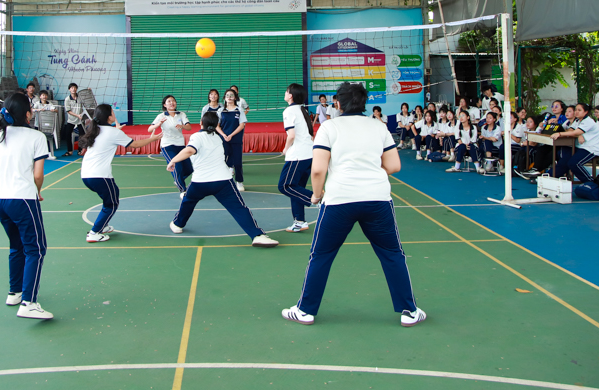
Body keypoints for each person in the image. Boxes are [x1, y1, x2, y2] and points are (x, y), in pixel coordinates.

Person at [281, 82, 425, 327]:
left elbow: (318, 170)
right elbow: (393, 166)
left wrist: (316, 195)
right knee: (392, 254)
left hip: (339, 200)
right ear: (364, 103)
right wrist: (369, 173)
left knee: (321, 255)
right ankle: (409, 311)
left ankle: (305, 310)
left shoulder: (329, 127)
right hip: (377, 199)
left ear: (338, 103)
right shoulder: (378, 126)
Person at [166, 111, 278, 247]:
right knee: (239, 208)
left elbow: (190, 150)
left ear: (201, 123)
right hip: (223, 182)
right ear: (217, 125)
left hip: (200, 182)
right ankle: (257, 235)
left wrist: (173, 160)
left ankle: (177, 224)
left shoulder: (197, 136)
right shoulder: (218, 138)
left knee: (187, 202)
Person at [0, 92, 53, 320]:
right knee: (36, 249)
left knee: (16, 245)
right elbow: (38, 175)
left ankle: (15, 292)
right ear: (28, 114)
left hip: (1, 200)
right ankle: (29, 303)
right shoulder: (36, 137)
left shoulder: (1, 135)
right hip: (23, 199)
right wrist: (37, 191)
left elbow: (1, 169)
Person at [78, 104, 163, 243]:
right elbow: (135, 145)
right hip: (100, 176)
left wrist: (116, 131)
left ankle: (102, 225)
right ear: (108, 116)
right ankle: (94, 233)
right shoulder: (113, 133)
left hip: (86, 175)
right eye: (113, 112)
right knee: (111, 203)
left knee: (109, 199)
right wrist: (153, 139)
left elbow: (106, 138)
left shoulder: (94, 130)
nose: (114, 114)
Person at [279, 83, 315, 232]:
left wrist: (286, 149)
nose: (285, 93)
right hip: (309, 154)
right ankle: (299, 221)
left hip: (298, 156)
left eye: (287, 91)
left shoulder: (289, 111)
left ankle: (319, 200)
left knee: (285, 186)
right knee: (297, 188)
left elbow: (291, 135)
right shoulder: (302, 109)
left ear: (291, 95)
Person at [150, 95, 193, 197]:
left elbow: (189, 127)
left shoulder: (181, 114)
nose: (172, 103)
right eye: (169, 101)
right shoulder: (161, 116)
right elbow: (149, 129)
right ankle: (183, 191)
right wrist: (159, 124)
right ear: (165, 105)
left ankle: (178, 180)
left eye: (173, 101)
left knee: (189, 169)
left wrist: (182, 126)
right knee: (177, 166)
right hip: (167, 145)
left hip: (180, 144)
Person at [550, 103, 599, 183]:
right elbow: (571, 130)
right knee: (564, 161)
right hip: (578, 147)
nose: (576, 112)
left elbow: (575, 132)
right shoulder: (577, 121)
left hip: (590, 148)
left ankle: (590, 182)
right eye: (576, 110)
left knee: (574, 163)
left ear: (586, 112)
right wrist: (579, 135)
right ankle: (550, 176)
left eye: (579, 110)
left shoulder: (588, 121)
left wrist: (559, 134)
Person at [219, 88, 248, 192]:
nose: (229, 97)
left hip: (236, 139)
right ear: (224, 98)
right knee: (222, 161)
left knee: (238, 162)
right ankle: (221, 181)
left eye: (231, 95)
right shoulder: (221, 110)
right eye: (227, 95)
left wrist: (231, 135)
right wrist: (224, 135)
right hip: (224, 139)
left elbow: (241, 125)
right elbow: (217, 126)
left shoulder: (239, 110)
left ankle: (239, 182)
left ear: (235, 97)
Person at [61, 83, 86, 157]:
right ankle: (70, 151)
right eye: (72, 88)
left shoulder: (80, 97)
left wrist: (89, 91)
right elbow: (68, 111)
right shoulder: (67, 99)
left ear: (76, 89)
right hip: (71, 120)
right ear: (69, 89)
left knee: (82, 135)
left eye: (75, 88)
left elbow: (87, 100)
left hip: (80, 120)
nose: (73, 89)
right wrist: (77, 115)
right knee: (67, 134)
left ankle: (80, 150)